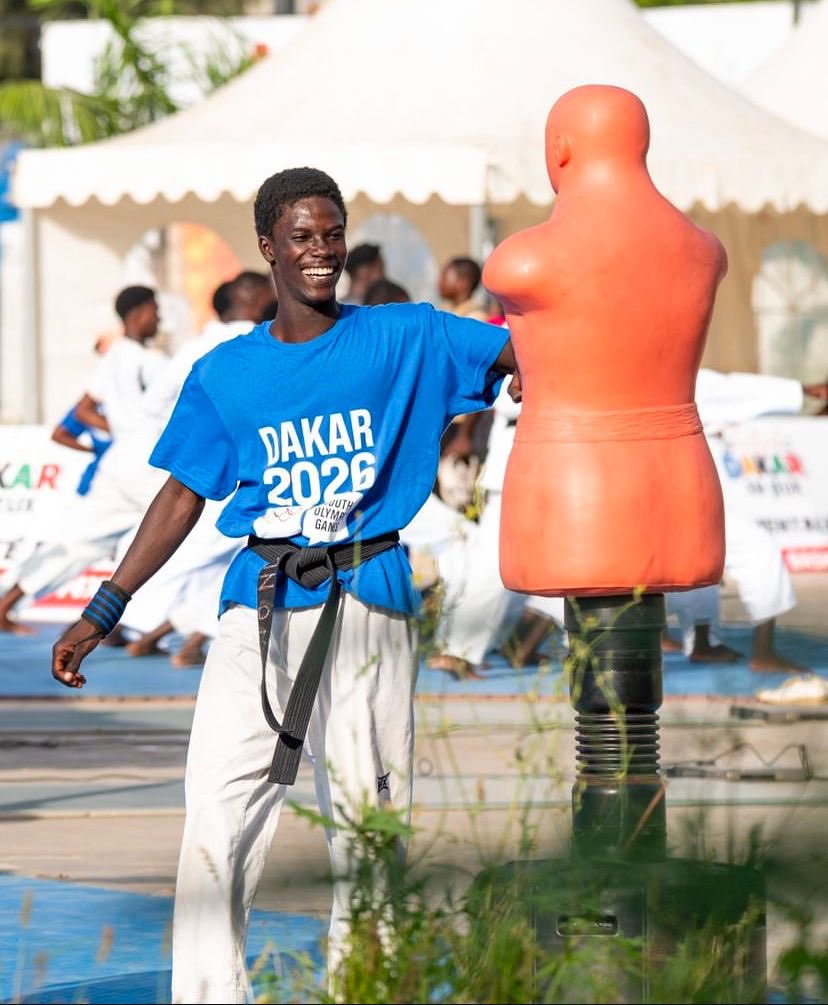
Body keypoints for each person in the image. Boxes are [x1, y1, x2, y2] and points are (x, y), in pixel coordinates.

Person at [50, 166, 517, 1004]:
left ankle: (363, 990)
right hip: (259, 604)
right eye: (302, 235)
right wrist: (105, 604)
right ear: (268, 246)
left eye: (332, 232)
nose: (322, 250)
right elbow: (181, 494)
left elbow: (520, 347)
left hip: (371, 593)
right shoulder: (227, 374)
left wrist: (540, 354)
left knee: (369, 829)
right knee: (215, 816)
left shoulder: (404, 335)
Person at [122, 271, 276, 664]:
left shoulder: (201, 344)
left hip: (186, 464)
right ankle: (133, 623)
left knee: (225, 556)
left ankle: (160, 632)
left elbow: (154, 406)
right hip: (217, 471)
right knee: (205, 553)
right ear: (256, 297)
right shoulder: (248, 343)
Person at [0, 286, 167, 634]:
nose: (160, 317)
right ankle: (144, 630)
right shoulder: (154, 363)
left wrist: (120, 433)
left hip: (119, 461)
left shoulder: (114, 357)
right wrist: (130, 432)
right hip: (147, 461)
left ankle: (7, 605)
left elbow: (84, 409)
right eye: (155, 310)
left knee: (76, 544)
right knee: (190, 533)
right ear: (137, 313)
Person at [665, 370, 828, 672]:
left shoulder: (636, 378)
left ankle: (696, 642)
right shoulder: (679, 378)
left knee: (689, 565)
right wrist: (800, 388)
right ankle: (763, 655)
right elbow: (731, 389)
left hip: (651, 497)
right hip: (680, 498)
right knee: (759, 552)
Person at [438, 255, 489, 321]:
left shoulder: (475, 317)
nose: (440, 283)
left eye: (444, 278)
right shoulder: (451, 312)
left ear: (463, 283)